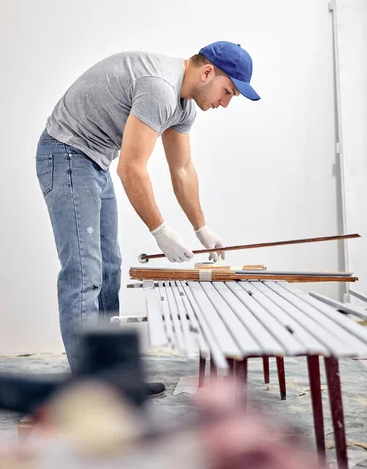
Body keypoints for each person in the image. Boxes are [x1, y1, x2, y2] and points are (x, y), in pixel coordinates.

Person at [35, 41, 260, 390]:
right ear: (206, 73)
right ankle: (89, 390)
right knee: (84, 269)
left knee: (109, 267)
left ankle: (111, 375)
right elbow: (131, 168)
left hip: (93, 159)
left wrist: (201, 228)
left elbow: (182, 168)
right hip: (65, 152)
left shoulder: (184, 107)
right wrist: (160, 230)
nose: (226, 102)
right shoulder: (160, 88)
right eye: (228, 91)